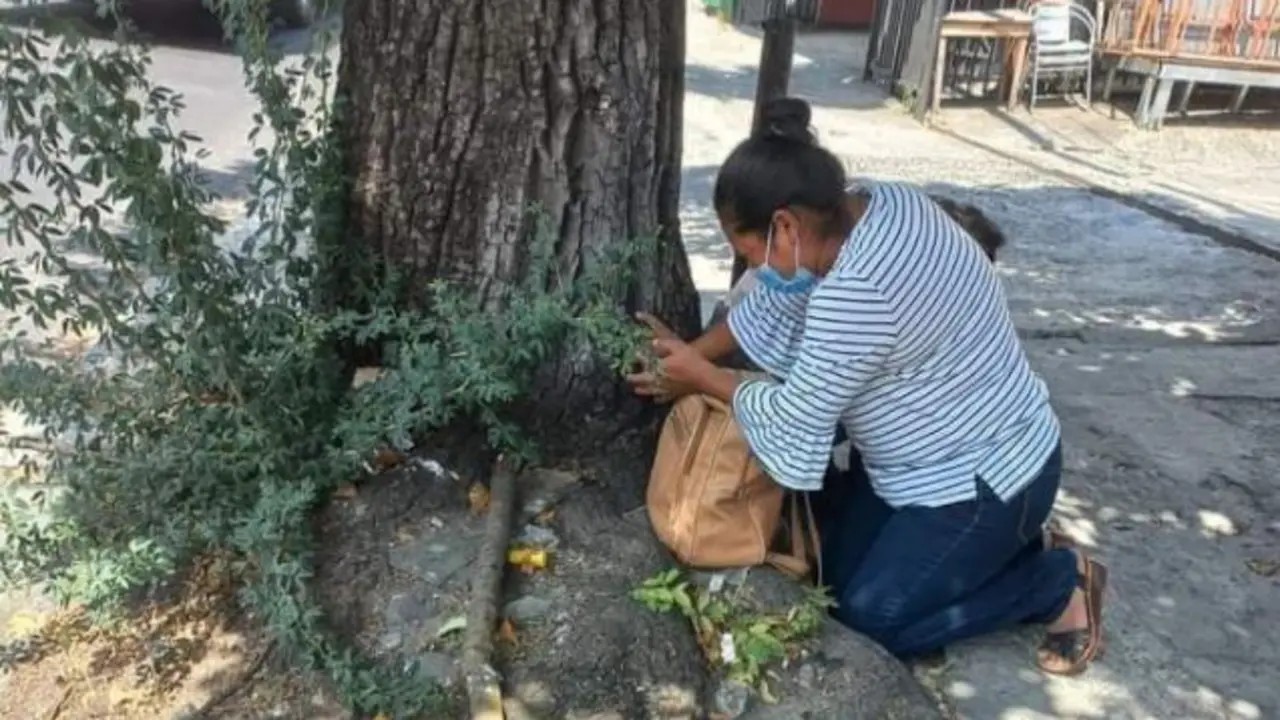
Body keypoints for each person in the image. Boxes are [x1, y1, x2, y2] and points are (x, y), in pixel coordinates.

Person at [626, 97, 1108, 676]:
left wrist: (698, 376)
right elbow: (776, 306)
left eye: (749, 253)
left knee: (871, 620)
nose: (752, 269)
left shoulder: (856, 295)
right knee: (829, 578)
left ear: (785, 225)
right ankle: (1007, 547)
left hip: (987, 477)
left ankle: (1054, 584)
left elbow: (797, 415)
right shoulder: (885, 204)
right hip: (928, 467)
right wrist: (688, 354)